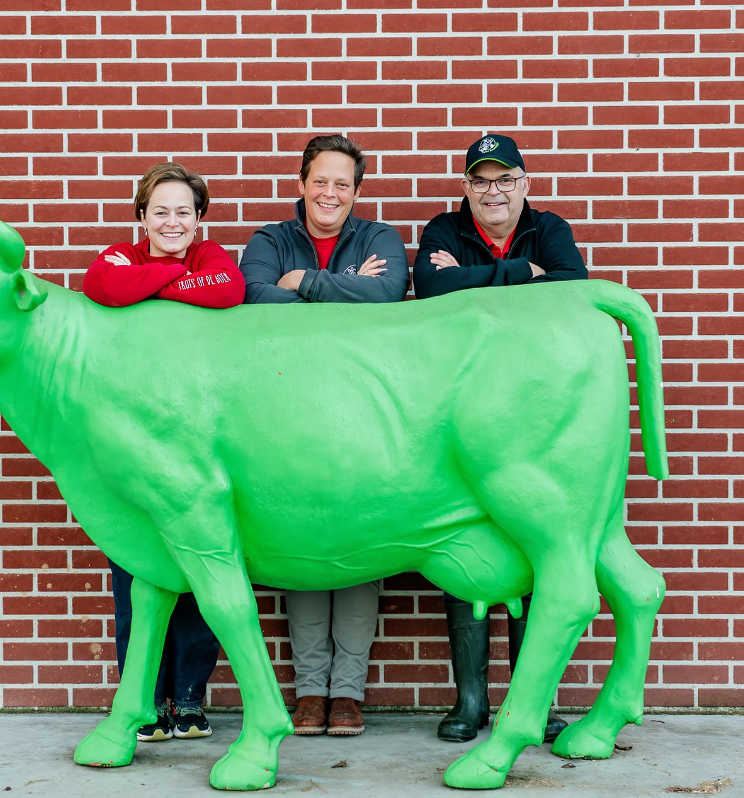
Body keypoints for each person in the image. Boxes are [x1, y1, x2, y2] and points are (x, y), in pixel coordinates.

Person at [413, 133, 588, 743]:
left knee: (532, 547)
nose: (493, 191)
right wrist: (518, 274)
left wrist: (473, 280)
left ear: (525, 184)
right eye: (481, 181)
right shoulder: (442, 228)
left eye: (505, 179)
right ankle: (470, 702)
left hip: (536, 410)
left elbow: (571, 288)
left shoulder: (551, 228)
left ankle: (528, 701)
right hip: (457, 407)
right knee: (465, 543)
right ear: (466, 189)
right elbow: (430, 292)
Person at [240, 134, 409, 736]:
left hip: (366, 414)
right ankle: (310, 694)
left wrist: (304, 284)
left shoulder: (379, 239)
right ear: (302, 184)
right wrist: (342, 287)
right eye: (321, 180)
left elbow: (387, 295)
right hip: (289, 415)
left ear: (356, 192)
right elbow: (252, 297)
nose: (330, 192)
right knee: (304, 546)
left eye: (343, 183)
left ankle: (349, 695)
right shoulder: (269, 240)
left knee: (360, 548)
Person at [83, 161, 244, 741]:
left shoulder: (210, 256)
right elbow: (102, 286)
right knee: (135, 577)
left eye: (183, 212)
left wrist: (150, 285)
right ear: (141, 217)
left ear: (199, 219)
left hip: (195, 441)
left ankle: (190, 702)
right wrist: (173, 283)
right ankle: (145, 704)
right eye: (160, 212)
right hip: (132, 442)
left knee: (197, 582)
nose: (171, 222)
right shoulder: (118, 255)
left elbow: (230, 289)